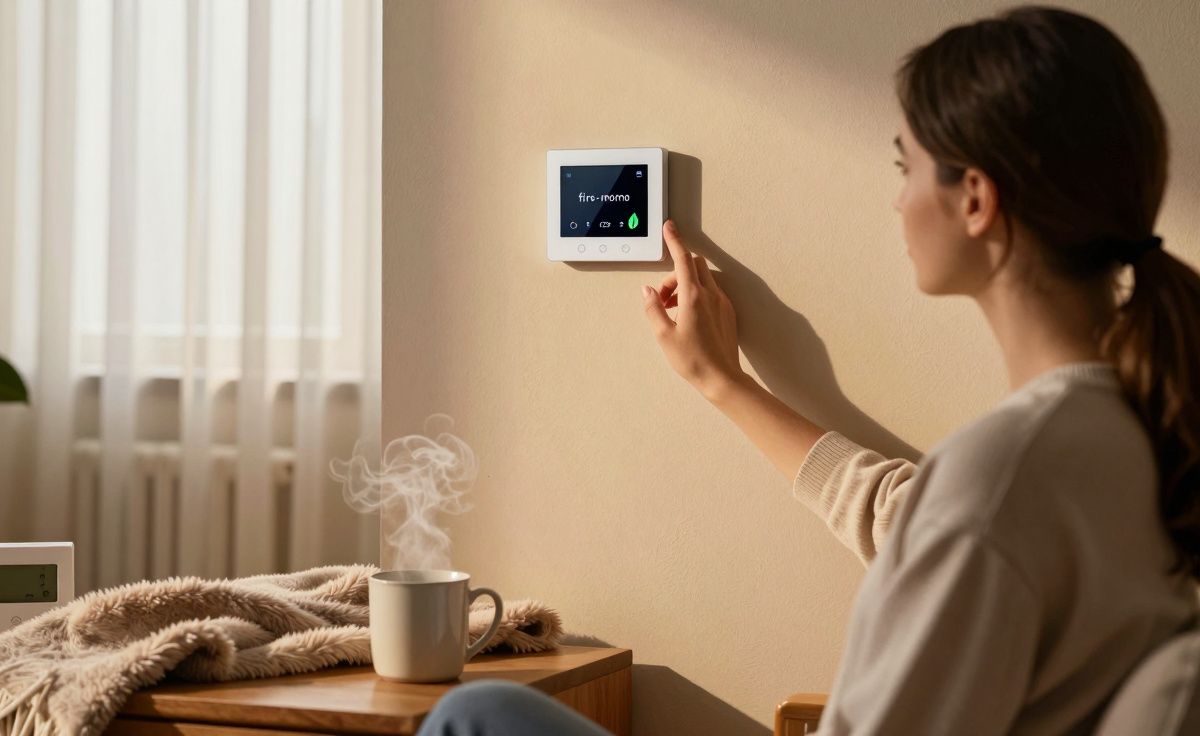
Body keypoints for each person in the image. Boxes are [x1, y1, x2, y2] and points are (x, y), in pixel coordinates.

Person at [417, 6, 1200, 734]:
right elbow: (909, 517)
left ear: (975, 202)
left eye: (908, 166)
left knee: (478, 713)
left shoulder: (1000, 479)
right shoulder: (1131, 432)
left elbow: (954, 521)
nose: (897, 202)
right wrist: (723, 381)